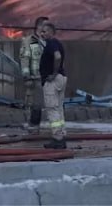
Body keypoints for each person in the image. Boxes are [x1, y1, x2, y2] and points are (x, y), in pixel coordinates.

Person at [17, 16, 49, 132]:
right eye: (46, 25)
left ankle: (41, 126)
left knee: (48, 104)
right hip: (35, 78)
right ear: (39, 26)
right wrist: (27, 76)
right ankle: (33, 126)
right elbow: (24, 59)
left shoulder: (47, 41)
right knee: (36, 103)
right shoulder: (29, 41)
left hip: (47, 78)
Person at [39, 22, 67, 150]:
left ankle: (57, 138)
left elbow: (57, 57)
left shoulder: (51, 44)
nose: (42, 33)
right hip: (61, 79)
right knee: (59, 108)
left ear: (51, 32)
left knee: (52, 108)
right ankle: (62, 134)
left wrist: (53, 73)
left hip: (53, 81)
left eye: (44, 31)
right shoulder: (57, 43)